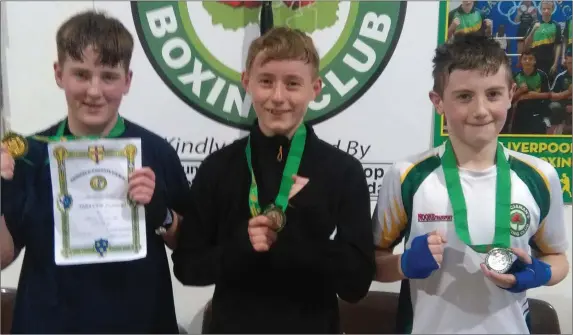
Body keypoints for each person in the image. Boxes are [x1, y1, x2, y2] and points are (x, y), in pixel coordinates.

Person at [171, 27, 375, 334]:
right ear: (247, 82)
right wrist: (241, 245)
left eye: (293, 84)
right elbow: (187, 268)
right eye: (266, 81)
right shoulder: (218, 168)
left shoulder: (342, 171)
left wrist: (299, 239)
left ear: (315, 88)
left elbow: (357, 284)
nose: (278, 97)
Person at [0, 10, 189, 333]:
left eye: (109, 76)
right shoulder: (29, 156)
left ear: (127, 81)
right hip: (48, 324)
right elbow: (3, 257)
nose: (94, 91)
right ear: (59, 74)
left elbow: (190, 247)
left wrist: (162, 214)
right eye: (82, 74)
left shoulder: (156, 152)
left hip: (140, 322)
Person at [372, 34, 569, 334]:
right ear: (437, 101)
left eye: (493, 94)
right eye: (464, 96)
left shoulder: (540, 175)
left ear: (511, 93)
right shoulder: (407, 175)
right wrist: (402, 265)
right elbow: (371, 261)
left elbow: (557, 259)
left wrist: (541, 272)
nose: (480, 110)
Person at [511, 50, 551, 134]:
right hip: (520, 109)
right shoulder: (516, 76)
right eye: (524, 59)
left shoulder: (542, 75)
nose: (527, 61)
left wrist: (533, 96)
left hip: (538, 108)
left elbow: (548, 95)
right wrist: (519, 91)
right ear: (521, 61)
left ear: (535, 61)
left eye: (530, 59)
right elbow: (510, 99)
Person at [524, 0, 562, 78]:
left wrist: (555, 63)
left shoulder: (556, 25)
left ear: (552, 9)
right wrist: (533, 30)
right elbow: (526, 44)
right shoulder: (534, 24)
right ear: (540, 10)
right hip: (534, 62)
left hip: (549, 62)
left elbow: (558, 45)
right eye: (544, 9)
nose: (546, 11)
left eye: (548, 9)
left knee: (549, 87)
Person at [548, 48, 572, 134]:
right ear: (566, 63)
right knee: (554, 106)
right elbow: (551, 96)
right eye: (570, 63)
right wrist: (567, 93)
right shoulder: (561, 76)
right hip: (564, 104)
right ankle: (556, 133)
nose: (572, 66)